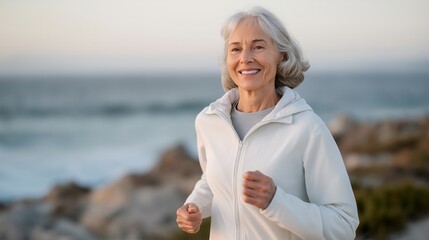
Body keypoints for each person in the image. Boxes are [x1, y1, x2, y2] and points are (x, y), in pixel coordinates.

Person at [176, 6, 359, 240]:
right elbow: (215, 180)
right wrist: (194, 207)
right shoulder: (209, 122)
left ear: (282, 55)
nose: (245, 58)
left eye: (258, 46)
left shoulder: (307, 128)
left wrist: (276, 201)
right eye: (236, 49)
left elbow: (343, 225)